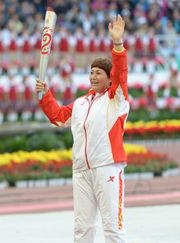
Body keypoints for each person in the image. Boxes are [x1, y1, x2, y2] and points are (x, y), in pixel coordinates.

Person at [36, 15, 128, 243]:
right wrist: (45, 94)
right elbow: (57, 117)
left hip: (107, 167)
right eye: (91, 72)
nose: (93, 76)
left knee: (112, 229)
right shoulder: (80, 104)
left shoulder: (116, 99)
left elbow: (121, 73)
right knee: (82, 230)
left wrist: (117, 45)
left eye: (99, 73)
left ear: (109, 79)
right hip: (81, 171)